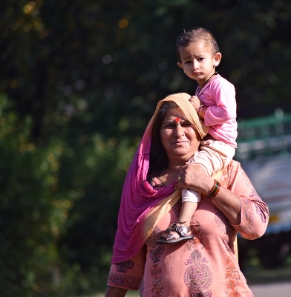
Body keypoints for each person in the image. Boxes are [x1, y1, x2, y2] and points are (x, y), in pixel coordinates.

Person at [105, 93, 269, 296]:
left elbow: (257, 226)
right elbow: (126, 257)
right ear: (158, 134)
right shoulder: (144, 187)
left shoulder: (226, 172)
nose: (178, 132)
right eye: (169, 126)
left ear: (201, 128)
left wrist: (209, 186)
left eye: (186, 124)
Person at [156, 27, 238, 244]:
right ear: (181, 66)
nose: (195, 66)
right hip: (210, 143)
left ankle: (183, 225)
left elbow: (227, 112)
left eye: (201, 59)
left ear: (216, 59)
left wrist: (201, 111)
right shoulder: (202, 89)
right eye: (188, 61)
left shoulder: (220, 85)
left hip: (220, 144)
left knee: (193, 173)